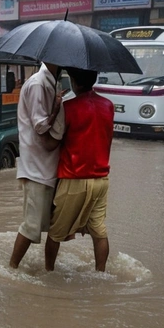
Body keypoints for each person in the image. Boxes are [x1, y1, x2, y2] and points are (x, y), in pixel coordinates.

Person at [45, 67, 114, 272]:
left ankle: (48, 273)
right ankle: (100, 273)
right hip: (101, 179)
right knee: (99, 231)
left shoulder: (69, 107)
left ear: (74, 82)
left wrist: (53, 114)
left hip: (74, 177)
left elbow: (51, 143)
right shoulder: (109, 105)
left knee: (55, 233)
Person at [9, 63, 65, 269]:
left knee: (55, 226)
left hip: (47, 166)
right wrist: (57, 108)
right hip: (37, 168)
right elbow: (40, 125)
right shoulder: (38, 84)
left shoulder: (49, 82)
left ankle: (49, 270)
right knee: (31, 226)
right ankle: (12, 267)